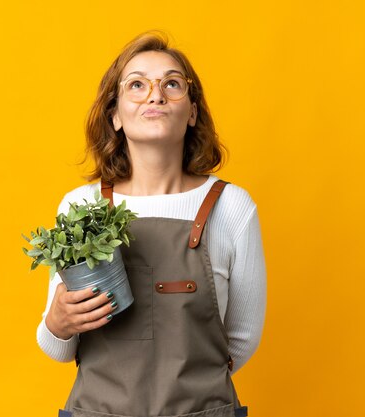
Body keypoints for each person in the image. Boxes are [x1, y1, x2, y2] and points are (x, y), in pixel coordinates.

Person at [36, 32, 267, 417]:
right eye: (137, 85)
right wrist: (57, 323)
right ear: (115, 114)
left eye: (172, 84)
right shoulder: (81, 208)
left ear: (192, 111)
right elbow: (59, 349)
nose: (155, 96)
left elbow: (242, 340)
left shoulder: (231, 208)